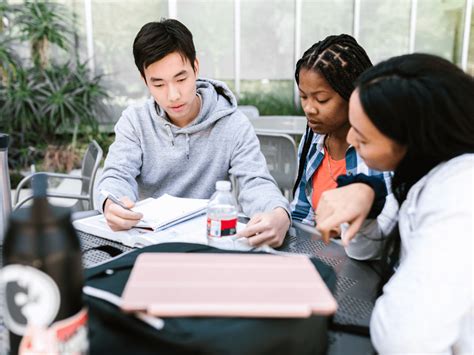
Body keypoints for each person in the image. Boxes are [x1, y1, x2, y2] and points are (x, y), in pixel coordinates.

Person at [316, 53, 473, 353]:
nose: (350, 137)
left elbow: (403, 337)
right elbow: (363, 249)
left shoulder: (459, 198)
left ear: (415, 140)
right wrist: (367, 196)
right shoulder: (420, 174)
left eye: (363, 138)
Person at [95, 19, 290, 247]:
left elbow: (255, 182)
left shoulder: (232, 123)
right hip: (148, 244)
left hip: (207, 243)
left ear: (196, 67)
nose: (174, 95)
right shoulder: (135, 121)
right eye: (159, 84)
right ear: (144, 80)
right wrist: (111, 202)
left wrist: (279, 214)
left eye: (181, 78)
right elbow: (116, 176)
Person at [290, 34, 391, 227]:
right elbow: (301, 211)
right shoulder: (313, 137)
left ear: (353, 94)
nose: (309, 108)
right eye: (304, 97)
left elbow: (382, 229)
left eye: (321, 99)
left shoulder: (380, 148)